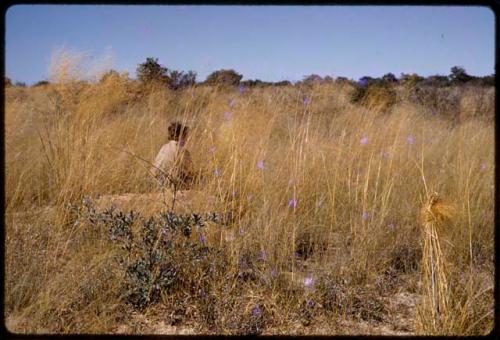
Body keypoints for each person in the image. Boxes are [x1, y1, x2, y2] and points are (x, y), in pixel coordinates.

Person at [151, 122, 194, 190]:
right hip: (171, 184)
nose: (186, 140)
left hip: (156, 182)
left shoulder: (163, 147)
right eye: (185, 136)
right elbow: (191, 171)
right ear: (181, 136)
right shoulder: (182, 151)